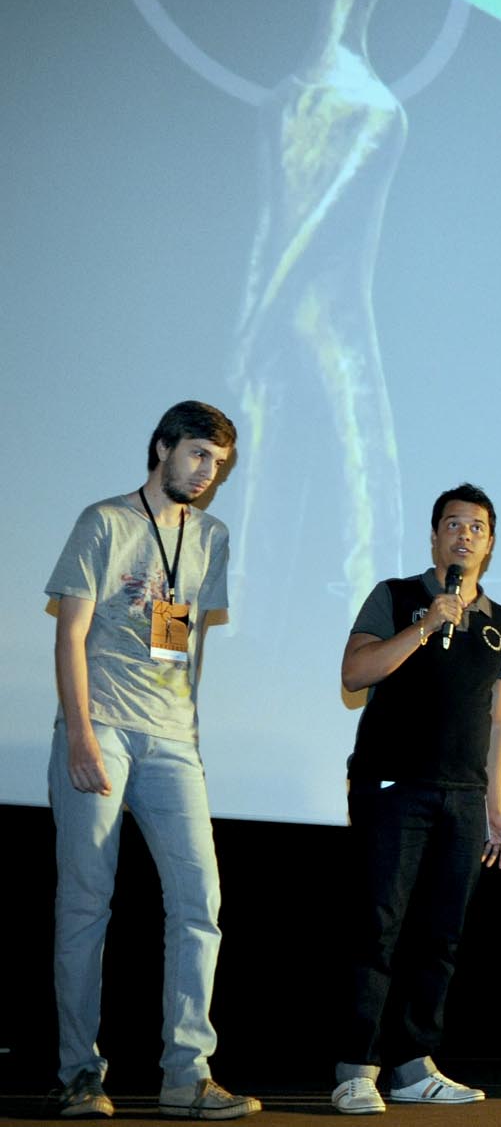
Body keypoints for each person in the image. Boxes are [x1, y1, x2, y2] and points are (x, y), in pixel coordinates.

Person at [45, 401, 260, 1120]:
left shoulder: (211, 536)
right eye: (198, 454)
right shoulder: (104, 522)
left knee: (201, 902)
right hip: (101, 725)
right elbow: (70, 636)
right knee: (86, 903)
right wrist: (80, 735)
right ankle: (79, 1073)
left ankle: (186, 1076)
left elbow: (184, 642)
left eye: (218, 464)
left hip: (171, 739)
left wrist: (187, 734)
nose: (207, 473)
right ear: (163, 447)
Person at [330, 485, 501, 1113]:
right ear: (435, 535)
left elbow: (497, 719)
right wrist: (425, 625)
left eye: (477, 527)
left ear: (490, 543)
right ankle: (357, 1068)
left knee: (441, 936)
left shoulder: (500, 623)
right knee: (378, 927)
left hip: (463, 797)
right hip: (392, 787)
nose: (465, 535)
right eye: (454, 524)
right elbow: (354, 673)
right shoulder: (395, 596)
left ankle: (414, 1065)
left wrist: (495, 805)